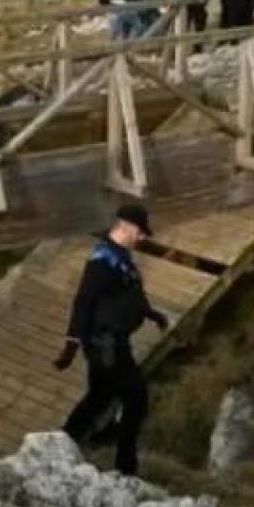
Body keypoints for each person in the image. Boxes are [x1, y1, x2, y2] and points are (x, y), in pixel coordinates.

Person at [55, 203, 165, 477]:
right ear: (125, 227)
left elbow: (128, 294)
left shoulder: (119, 257)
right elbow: (84, 301)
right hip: (106, 345)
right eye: (140, 232)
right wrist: (71, 343)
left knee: (99, 396)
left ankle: (63, 442)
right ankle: (125, 466)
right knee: (136, 398)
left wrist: (152, 314)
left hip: (113, 343)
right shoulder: (102, 261)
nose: (142, 238)